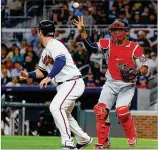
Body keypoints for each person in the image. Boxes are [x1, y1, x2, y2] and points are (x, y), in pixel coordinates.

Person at [73, 17, 148, 149]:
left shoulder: (135, 48)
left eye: (119, 29)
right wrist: (83, 31)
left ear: (126, 32)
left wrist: (136, 73)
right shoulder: (107, 43)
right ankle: (103, 142)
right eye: (114, 30)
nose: (116, 32)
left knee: (122, 111)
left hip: (127, 85)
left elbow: (144, 68)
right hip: (111, 83)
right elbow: (90, 48)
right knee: (100, 110)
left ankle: (131, 134)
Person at [19, 20, 92, 150]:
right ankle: (84, 139)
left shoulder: (54, 44)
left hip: (72, 82)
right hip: (65, 84)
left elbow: (61, 61)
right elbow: (41, 71)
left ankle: (68, 143)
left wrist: (49, 77)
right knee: (66, 115)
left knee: (55, 107)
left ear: (40, 32)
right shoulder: (47, 50)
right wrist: (29, 75)